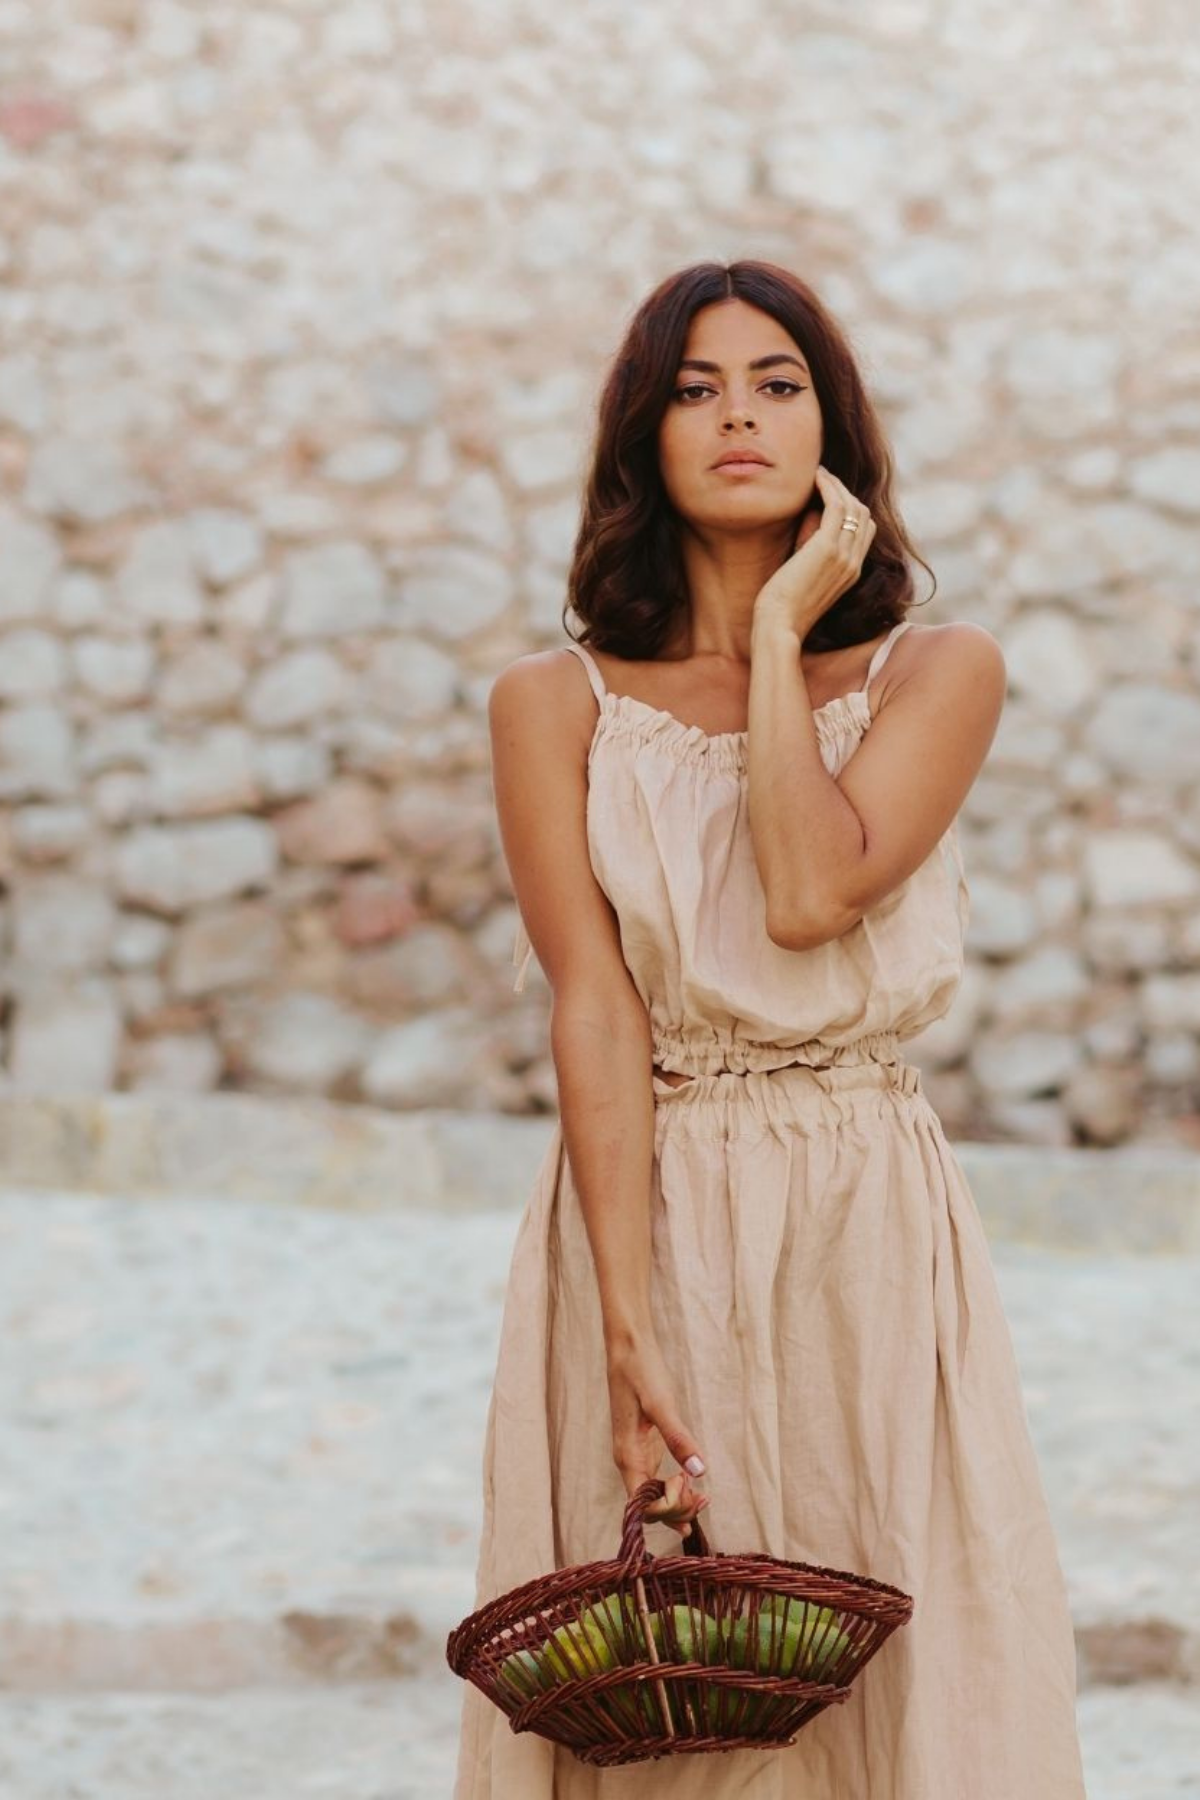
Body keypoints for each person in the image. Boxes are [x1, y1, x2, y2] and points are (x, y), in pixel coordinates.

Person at [453, 259, 1086, 1797]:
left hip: (866, 1202)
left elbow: (809, 895)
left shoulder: (940, 669)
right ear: (641, 438)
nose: (739, 417)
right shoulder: (555, 701)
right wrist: (617, 1326)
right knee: (677, 1689)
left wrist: (787, 630)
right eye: (695, 389)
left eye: (777, 384)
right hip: (650, 1200)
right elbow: (592, 1009)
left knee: (904, 1656)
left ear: (833, 429)